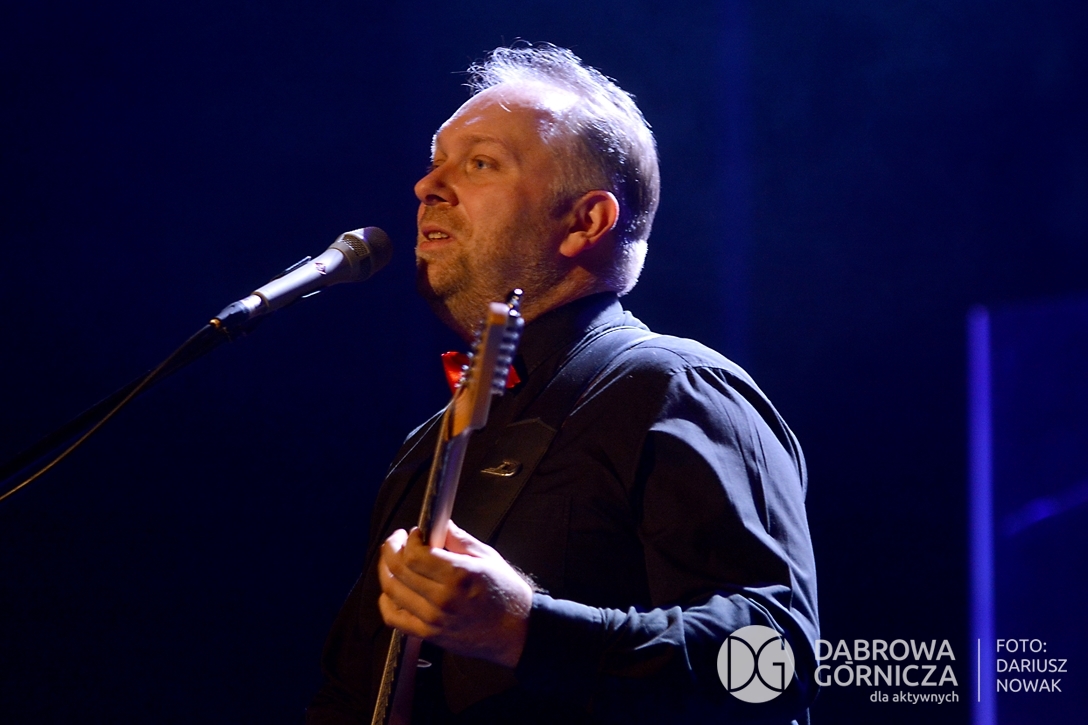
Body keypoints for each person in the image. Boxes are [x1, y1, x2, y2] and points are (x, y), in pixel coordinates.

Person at [307, 44, 819, 724]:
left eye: (480, 163)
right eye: (435, 161)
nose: (427, 186)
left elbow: (773, 663)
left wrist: (525, 627)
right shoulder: (426, 446)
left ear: (587, 220)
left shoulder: (673, 388)